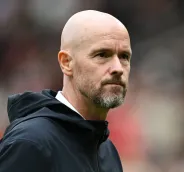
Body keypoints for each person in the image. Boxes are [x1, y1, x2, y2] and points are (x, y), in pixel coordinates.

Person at [0, 10, 132, 172]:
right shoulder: (31, 143)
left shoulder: (107, 150)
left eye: (124, 56)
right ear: (66, 62)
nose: (118, 68)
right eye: (102, 55)